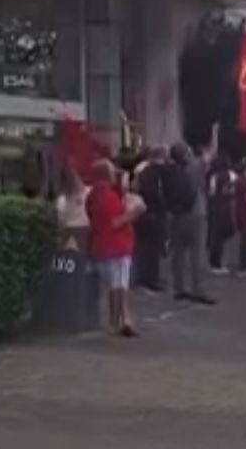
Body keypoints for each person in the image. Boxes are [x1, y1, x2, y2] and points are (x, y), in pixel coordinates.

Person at [86, 159, 138, 338]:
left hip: (101, 246)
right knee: (119, 285)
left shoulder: (92, 196)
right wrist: (133, 213)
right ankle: (118, 322)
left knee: (113, 285)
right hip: (118, 246)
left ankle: (120, 320)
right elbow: (115, 222)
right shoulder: (108, 196)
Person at [163, 143, 215, 305]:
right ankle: (198, 288)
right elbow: (209, 155)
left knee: (177, 254)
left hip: (176, 216)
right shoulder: (194, 168)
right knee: (197, 254)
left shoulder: (168, 172)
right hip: (196, 213)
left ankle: (179, 288)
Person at [132, 147, 168, 292]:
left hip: (145, 212)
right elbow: (154, 194)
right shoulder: (151, 173)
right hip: (151, 214)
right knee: (150, 249)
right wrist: (160, 207)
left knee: (147, 248)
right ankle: (149, 279)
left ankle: (148, 277)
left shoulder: (144, 172)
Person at [206, 155, 238, 273]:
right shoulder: (232, 175)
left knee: (216, 235)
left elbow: (211, 192)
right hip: (229, 206)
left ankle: (215, 261)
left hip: (216, 207)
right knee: (226, 234)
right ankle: (220, 261)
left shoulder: (214, 176)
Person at [55, 164, 90, 253]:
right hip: (73, 234)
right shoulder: (61, 200)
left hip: (85, 232)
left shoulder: (90, 193)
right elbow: (61, 222)